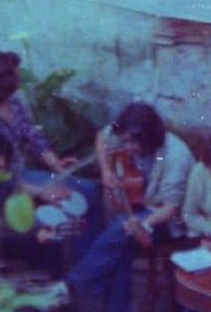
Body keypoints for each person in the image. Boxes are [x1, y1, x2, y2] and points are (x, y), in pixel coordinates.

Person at [0, 51, 102, 260]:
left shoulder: (15, 104)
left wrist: (56, 165)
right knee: (63, 203)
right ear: (5, 80)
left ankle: (89, 258)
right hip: (3, 188)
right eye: (16, 72)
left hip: (23, 175)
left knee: (88, 189)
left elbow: (33, 137)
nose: (20, 75)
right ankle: (76, 262)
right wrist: (40, 191)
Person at [57, 102, 194, 311]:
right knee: (121, 246)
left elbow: (170, 209)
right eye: (125, 141)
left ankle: (72, 286)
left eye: (132, 142)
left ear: (149, 136)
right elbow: (102, 137)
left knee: (121, 229)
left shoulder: (176, 156)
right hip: (139, 209)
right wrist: (106, 172)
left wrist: (143, 223)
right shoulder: (124, 135)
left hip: (167, 221)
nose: (126, 147)